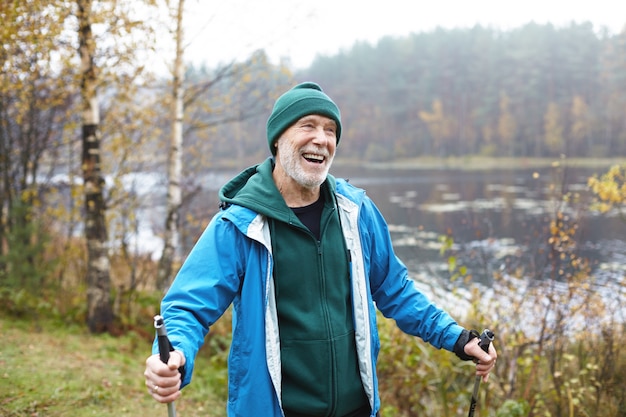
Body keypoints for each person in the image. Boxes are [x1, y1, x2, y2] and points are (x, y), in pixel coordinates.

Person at [144, 81, 497, 417]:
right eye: (307, 126)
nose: (321, 139)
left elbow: (396, 290)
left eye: (330, 130)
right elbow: (188, 306)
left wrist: (457, 338)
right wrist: (175, 353)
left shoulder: (356, 212)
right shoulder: (240, 224)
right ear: (278, 139)